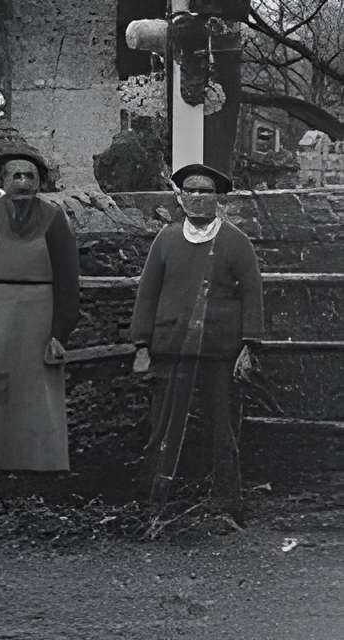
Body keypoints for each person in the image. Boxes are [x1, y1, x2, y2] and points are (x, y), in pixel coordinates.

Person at [129, 161, 263, 527]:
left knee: (223, 428)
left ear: (217, 198)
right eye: (190, 191)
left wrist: (248, 345)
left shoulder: (235, 241)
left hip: (219, 351)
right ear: (180, 198)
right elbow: (147, 293)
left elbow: (252, 293)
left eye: (205, 192)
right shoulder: (167, 239)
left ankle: (226, 505)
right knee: (162, 427)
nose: (197, 198)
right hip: (171, 348)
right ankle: (154, 505)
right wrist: (141, 344)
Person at [0, 144, 80, 471]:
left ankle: (43, 469)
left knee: (41, 395)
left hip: (39, 320)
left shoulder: (54, 221)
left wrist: (60, 332)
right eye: (16, 176)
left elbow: (67, 281)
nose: (23, 183)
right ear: (4, 181)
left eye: (30, 176)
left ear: (39, 183)